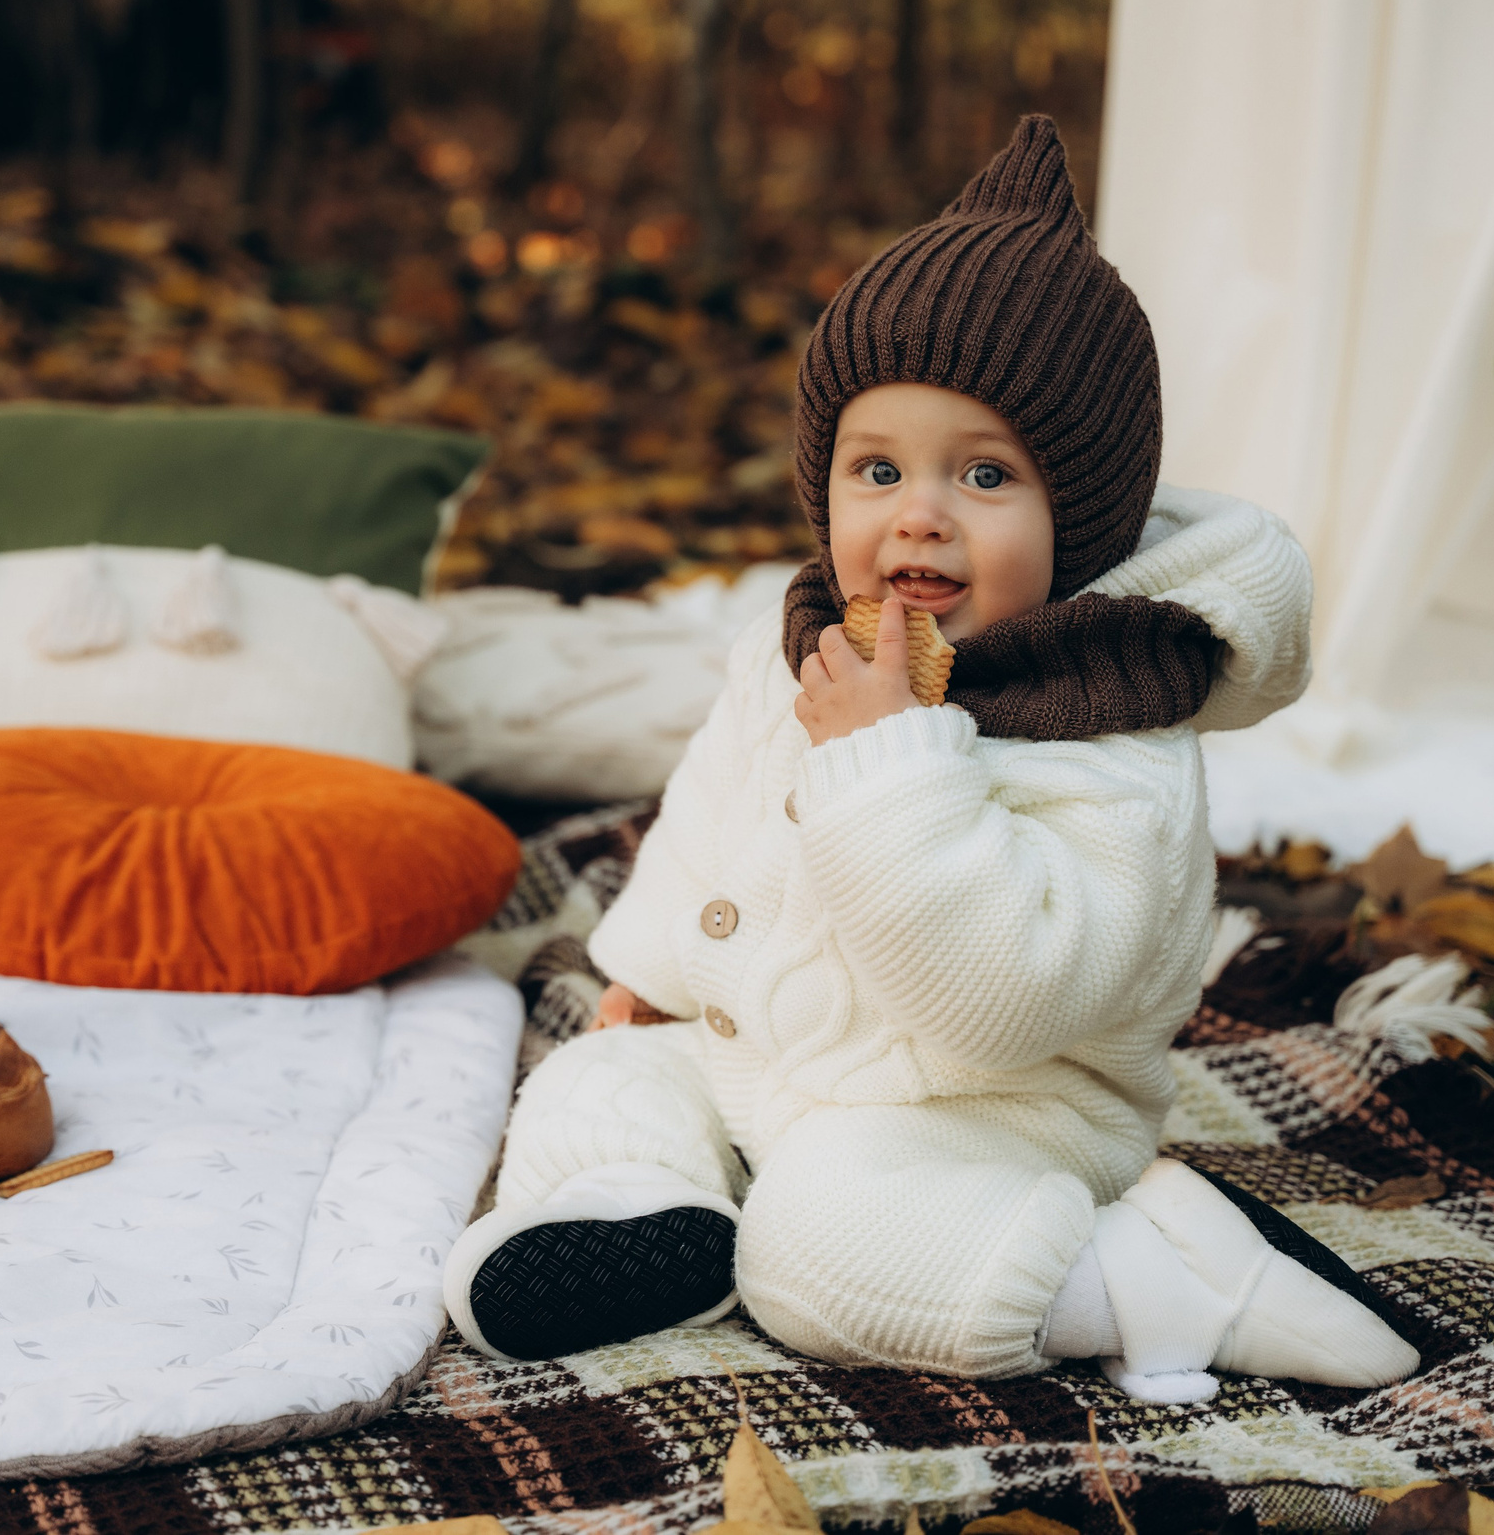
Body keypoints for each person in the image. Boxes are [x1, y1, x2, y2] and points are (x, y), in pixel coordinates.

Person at [441, 116, 1420, 1404]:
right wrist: (655, 976)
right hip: (772, 1057)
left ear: (1082, 518)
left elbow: (1003, 1001)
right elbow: (710, 817)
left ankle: (1156, 1268)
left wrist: (890, 757)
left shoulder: (1114, 726)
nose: (919, 515)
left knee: (818, 1253)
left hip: (984, 1118)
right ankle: (642, 1208)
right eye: (878, 468)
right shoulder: (804, 641)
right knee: (598, 1075)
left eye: (985, 476)